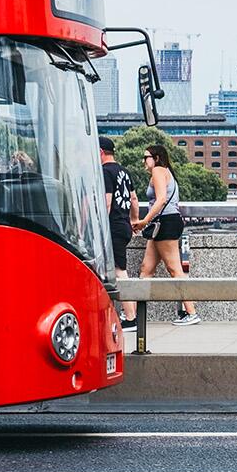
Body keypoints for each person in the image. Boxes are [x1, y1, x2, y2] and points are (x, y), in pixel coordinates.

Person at [133, 144, 199, 326]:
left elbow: (161, 199)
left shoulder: (159, 171)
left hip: (165, 223)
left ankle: (191, 312)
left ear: (156, 158)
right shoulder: (165, 171)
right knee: (146, 269)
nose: (143, 161)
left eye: (146, 157)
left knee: (174, 269)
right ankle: (136, 316)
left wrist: (144, 220)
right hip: (164, 223)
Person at [99, 137, 139, 331]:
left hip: (112, 225)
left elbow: (107, 202)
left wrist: (102, 227)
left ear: (100, 152)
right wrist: (133, 220)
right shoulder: (124, 171)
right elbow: (133, 198)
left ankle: (131, 318)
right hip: (123, 224)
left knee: (119, 271)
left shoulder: (105, 172)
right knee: (115, 270)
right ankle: (124, 314)